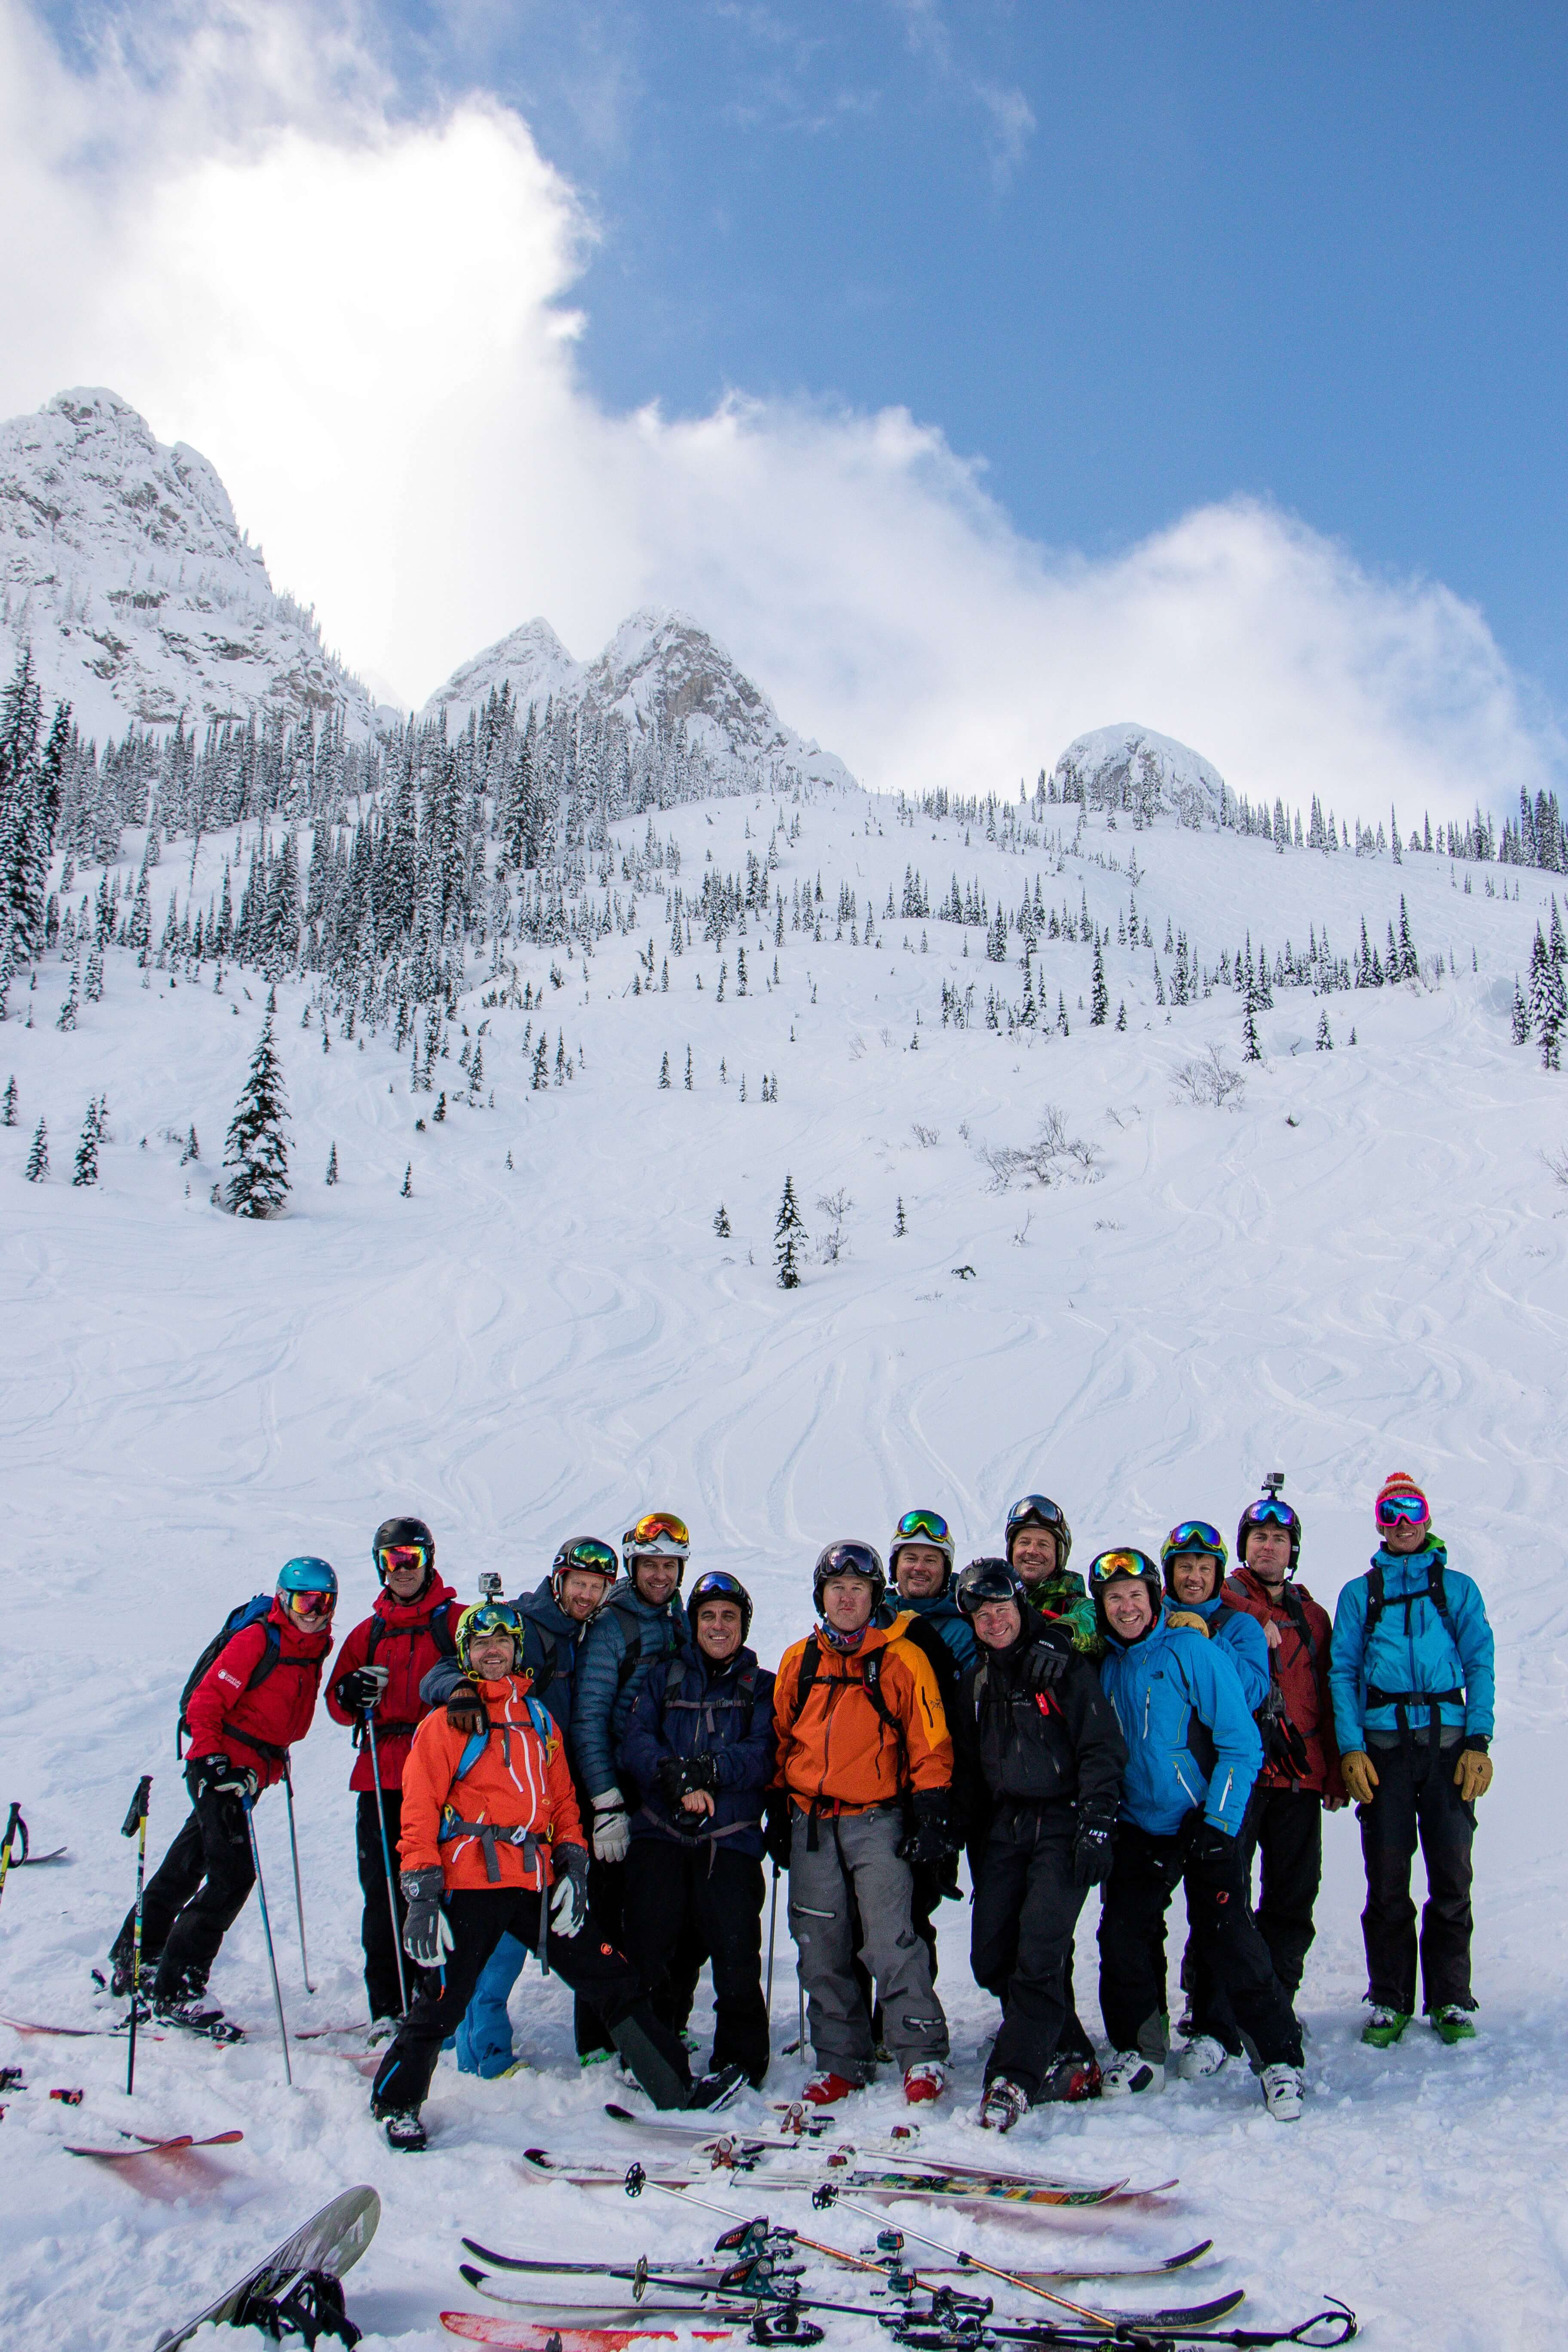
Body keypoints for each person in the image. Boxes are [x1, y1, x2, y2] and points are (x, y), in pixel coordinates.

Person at [368, 1601, 743, 2151]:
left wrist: (573, 1863)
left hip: (534, 1878)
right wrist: (422, 1895)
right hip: (472, 1881)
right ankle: (396, 2102)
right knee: (444, 1998)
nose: (492, 1652)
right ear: (466, 1655)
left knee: (610, 1975)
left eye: (502, 1642)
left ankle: (676, 2087)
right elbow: (419, 1811)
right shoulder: (446, 1722)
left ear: (517, 1651)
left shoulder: (537, 1717)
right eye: (480, 1644)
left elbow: (562, 1799)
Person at [1091, 1548, 1306, 2122]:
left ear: (1155, 1597)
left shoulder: (1191, 1650)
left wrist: (1220, 1823)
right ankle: (1141, 2051)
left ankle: (1279, 2061)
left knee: (1229, 1934)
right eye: (1115, 1598)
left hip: (1201, 1818)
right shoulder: (1108, 1667)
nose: (1127, 1607)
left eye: (1136, 1595)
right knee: (1123, 1935)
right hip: (1140, 1824)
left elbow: (1241, 1742)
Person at [107, 1557, 337, 2036]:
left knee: (189, 1864)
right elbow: (206, 1703)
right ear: (283, 1598)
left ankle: (137, 1956)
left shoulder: (312, 1647)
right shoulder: (258, 1639)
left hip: (249, 1772)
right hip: (220, 1770)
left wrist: (267, 1764)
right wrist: (213, 1762)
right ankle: (178, 1988)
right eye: (305, 1600)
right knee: (232, 1876)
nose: (314, 1611)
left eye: (324, 1601)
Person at [421, 1536, 619, 2075]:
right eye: (579, 1583)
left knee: (527, 1930)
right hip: (499, 1806)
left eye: (597, 1587)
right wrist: (458, 1691)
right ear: (559, 1582)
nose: (586, 1594)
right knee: (498, 1941)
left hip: (550, 1799)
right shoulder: (521, 1623)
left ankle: (471, 2040)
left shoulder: (592, 1632)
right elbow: (446, 1668)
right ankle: (480, 2050)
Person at [773, 1540, 955, 2107]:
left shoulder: (901, 1658)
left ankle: (920, 2054)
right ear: (821, 1597)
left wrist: (931, 1811)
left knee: (890, 1938)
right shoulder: (799, 1661)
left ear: (875, 1596)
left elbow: (931, 1740)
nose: (847, 1599)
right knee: (820, 1943)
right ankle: (840, 2058)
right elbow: (781, 1742)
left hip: (878, 1819)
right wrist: (777, 1811)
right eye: (837, 1589)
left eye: (858, 1589)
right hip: (810, 1822)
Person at [950, 1559, 1126, 2129]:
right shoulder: (974, 1680)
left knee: (1039, 1954)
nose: (993, 1621)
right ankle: (1069, 2050)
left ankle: (1014, 2078)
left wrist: (1097, 1820)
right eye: (981, 1613)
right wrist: (952, 1835)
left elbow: (1101, 1747)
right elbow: (970, 1770)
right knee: (991, 1957)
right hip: (1003, 1831)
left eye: (1002, 1609)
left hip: (1062, 1823)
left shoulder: (1060, 1667)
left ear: (1020, 1607)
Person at [1329, 1473, 1495, 2047]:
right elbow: (1343, 1672)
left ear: (1428, 1519)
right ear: (1380, 1524)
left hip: (1447, 1749)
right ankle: (1390, 1997)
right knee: (1388, 1879)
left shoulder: (1457, 1589)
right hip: (1384, 1752)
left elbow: (1480, 1663)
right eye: (1392, 1513)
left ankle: (1450, 1997)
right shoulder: (1361, 1594)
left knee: (1452, 1875)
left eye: (1412, 1510)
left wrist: (1479, 1740)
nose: (1403, 1524)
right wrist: (1351, 1747)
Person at [1203, 1485, 1345, 2064]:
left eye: (1279, 1538)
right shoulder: (1222, 1598)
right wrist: (1257, 1611)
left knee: (1292, 1898)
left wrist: (1335, 1768)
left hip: (1300, 1778)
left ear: (1293, 1550)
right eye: (1259, 1536)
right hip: (1241, 1777)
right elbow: (1206, 1601)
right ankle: (1213, 2014)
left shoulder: (1312, 1616)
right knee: (1223, 1897)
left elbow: (1329, 1692)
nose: (1269, 1546)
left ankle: (1275, 2008)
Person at [620, 1570, 776, 2086]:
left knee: (734, 1950)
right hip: (660, 1831)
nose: (718, 1626)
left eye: (729, 1617)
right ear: (692, 1624)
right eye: (708, 1616)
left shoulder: (761, 1686)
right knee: (654, 1945)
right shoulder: (663, 1676)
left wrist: (710, 1770)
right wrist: (674, 1775)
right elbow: (636, 1740)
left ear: (744, 1626)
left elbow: (764, 1754)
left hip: (727, 1839)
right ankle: (657, 2047)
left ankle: (741, 2059)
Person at [325, 1516, 460, 2027]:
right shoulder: (370, 1631)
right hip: (380, 1777)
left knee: (442, 1891)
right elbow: (338, 1703)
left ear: (428, 1559)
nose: (402, 1570)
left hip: (444, 1777)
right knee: (384, 1894)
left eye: (411, 1558)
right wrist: (350, 1694)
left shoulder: (453, 1622)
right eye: (391, 1560)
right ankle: (389, 2007)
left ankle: (441, 2003)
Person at [572, 1511, 693, 2062]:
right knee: (607, 1915)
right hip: (618, 1785)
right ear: (634, 1566)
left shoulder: (677, 1618)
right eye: (652, 1565)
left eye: (670, 1565)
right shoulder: (612, 1625)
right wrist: (604, 1802)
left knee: (661, 1915)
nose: (661, 1574)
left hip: (661, 1781)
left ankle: (661, 2021)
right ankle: (599, 2035)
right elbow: (590, 1719)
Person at [1158, 1519, 1271, 2079]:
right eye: (1185, 1568)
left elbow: (1252, 1691)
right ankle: (1152, 2019)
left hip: (1223, 1784)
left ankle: (1215, 2023)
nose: (1195, 1577)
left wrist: (1204, 1642)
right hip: (1163, 1789)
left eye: (1204, 1568)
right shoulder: (1150, 1619)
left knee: (1223, 1903)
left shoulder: (1242, 1627)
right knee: (1140, 1910)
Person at [1004, 1496, 1100, 1655]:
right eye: (1024, 1542)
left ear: (1059, 1555)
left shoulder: (1072, 1605)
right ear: (1012, 1549)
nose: (1032, 1551)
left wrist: (1064, 1632)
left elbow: (1097, 1617)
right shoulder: (996, 1597)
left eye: (1043, 1544)